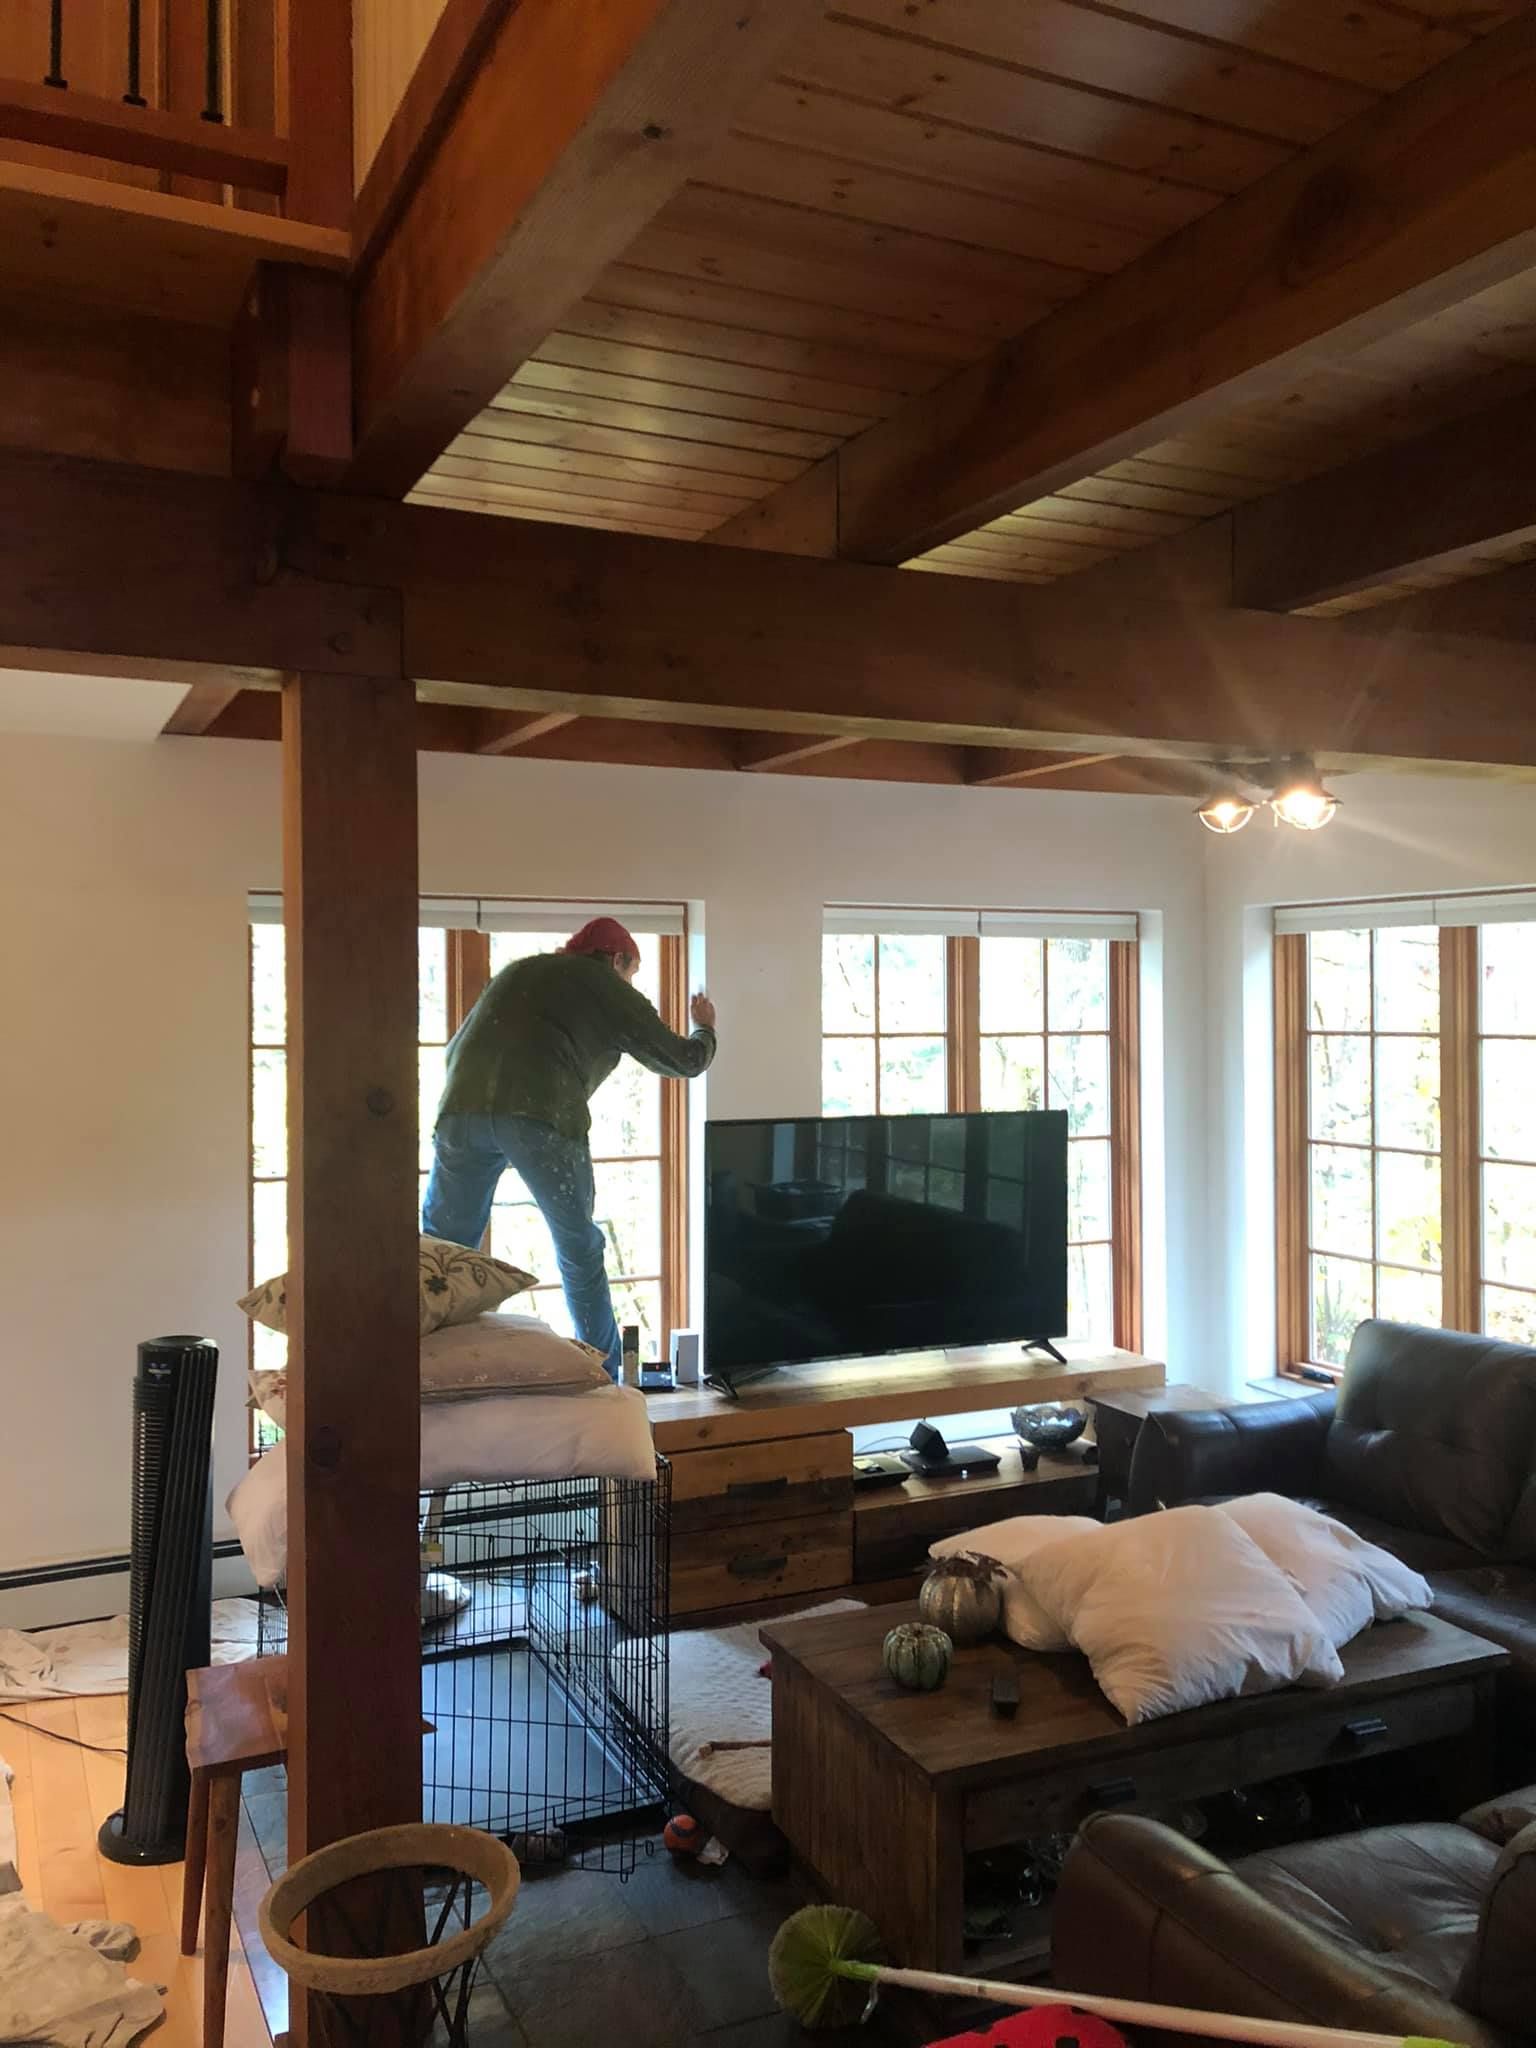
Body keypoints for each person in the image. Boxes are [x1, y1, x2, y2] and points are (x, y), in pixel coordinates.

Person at [422, 915, 716, 1379]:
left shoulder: (521, 971)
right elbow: (683, 1060)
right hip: (541, 1113)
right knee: (578, 1246)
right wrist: (705, 1029)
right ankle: (603, 1375)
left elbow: (460, 1043)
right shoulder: (605, 983)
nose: (629, 981)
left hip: (461, 1109)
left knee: (440, 1251)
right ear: (617, 959)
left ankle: (422, 1364)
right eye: (631, 972)